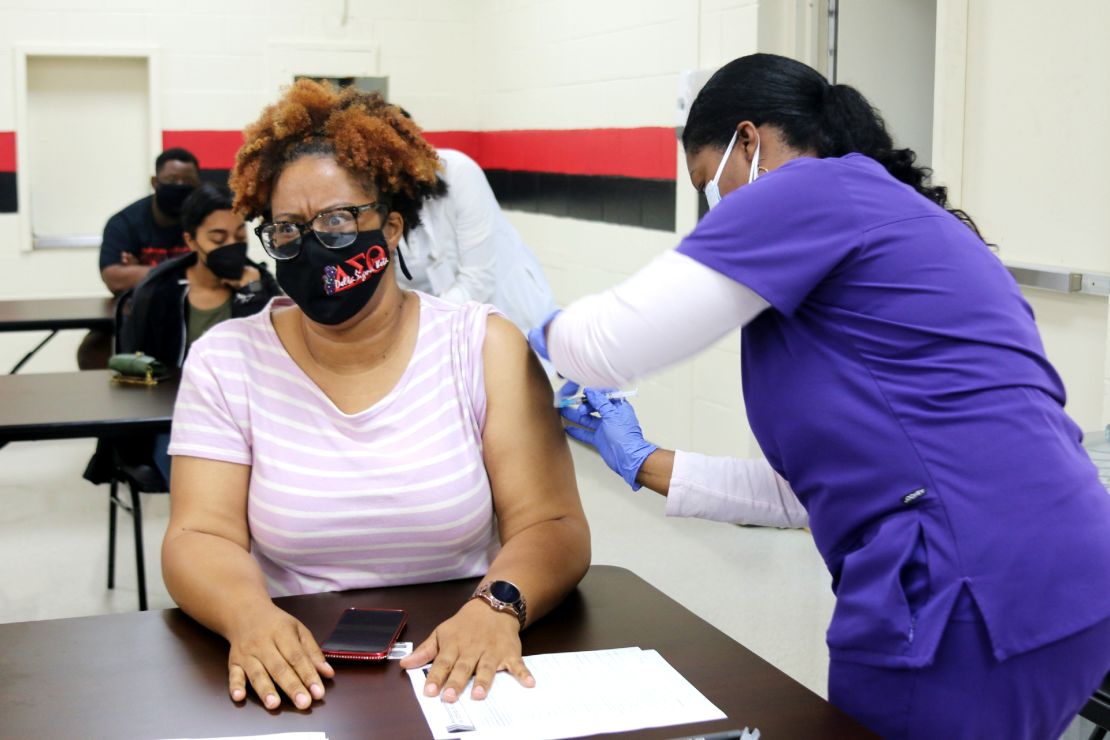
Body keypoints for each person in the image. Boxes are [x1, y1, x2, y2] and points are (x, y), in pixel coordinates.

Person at [529, 53, 1110, 739]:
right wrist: (641, 459)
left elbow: (608, 345)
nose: (711, 204)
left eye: (705, 181)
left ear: (751, 141)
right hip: (1071, 577)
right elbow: (811, 494)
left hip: (967, 593)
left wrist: (524, 324)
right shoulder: (911, 222)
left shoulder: (806, 190)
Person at [161, 79, 590, 713]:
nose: (312, 246)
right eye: (286, 230)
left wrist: (497, 605)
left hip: (461, 657)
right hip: (298, 663)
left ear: (390, 228)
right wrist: (248, 615)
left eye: (337, 220)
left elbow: (552, 524)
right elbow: (199, 534)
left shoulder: (483, 347)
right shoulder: (227, 361)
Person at [118, 182, 280, 483]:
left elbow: (275, 362)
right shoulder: (161, 293)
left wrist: (252, 295)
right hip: (177, 420)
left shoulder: (259, 286)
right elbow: (138, 372)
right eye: (218, 238)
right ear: (191, 241)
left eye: (239, 236)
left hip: (252, 420)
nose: (231, 246)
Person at [398, 146, 558, 333]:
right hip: (451, 330)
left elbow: (478, 280)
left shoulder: (458, 171)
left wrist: (422, 328)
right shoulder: (379, 205)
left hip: (508, 312)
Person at [77, 148, 202, 368]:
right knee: (93, 348)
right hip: (138, 310)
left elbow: (216, 270)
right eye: (172, 180)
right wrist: (185, 271)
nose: (180, 186)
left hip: (194, 308)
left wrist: (142, 271)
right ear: (155, 182)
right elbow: (114, 278)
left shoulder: (204, 220)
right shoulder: (125, 222)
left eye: (187, 182)